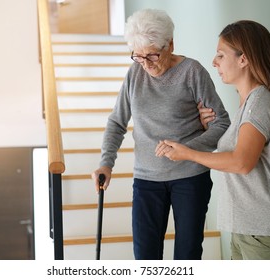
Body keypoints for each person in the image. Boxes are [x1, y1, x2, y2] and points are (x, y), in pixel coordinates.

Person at [156, 20, 270, 260]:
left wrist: (187, 153)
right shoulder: (248, 104)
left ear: (243, 59)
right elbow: (238, 150)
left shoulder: (259, 103)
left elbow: (241, 162)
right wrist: (207, 127)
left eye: (220, 55)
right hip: (250, 232)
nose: (214, 62)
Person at [91, 9, 230, 260]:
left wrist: (188, 150)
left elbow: (222, 122)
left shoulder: (192, 72)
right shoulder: (135, 74)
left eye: (152, 55)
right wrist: (106, 163)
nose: (146, 63)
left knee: (187, 255)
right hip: (146, 179)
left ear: (171, 44)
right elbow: (116, 122)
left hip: (190, 178)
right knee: (145, 256)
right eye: (138, 56)